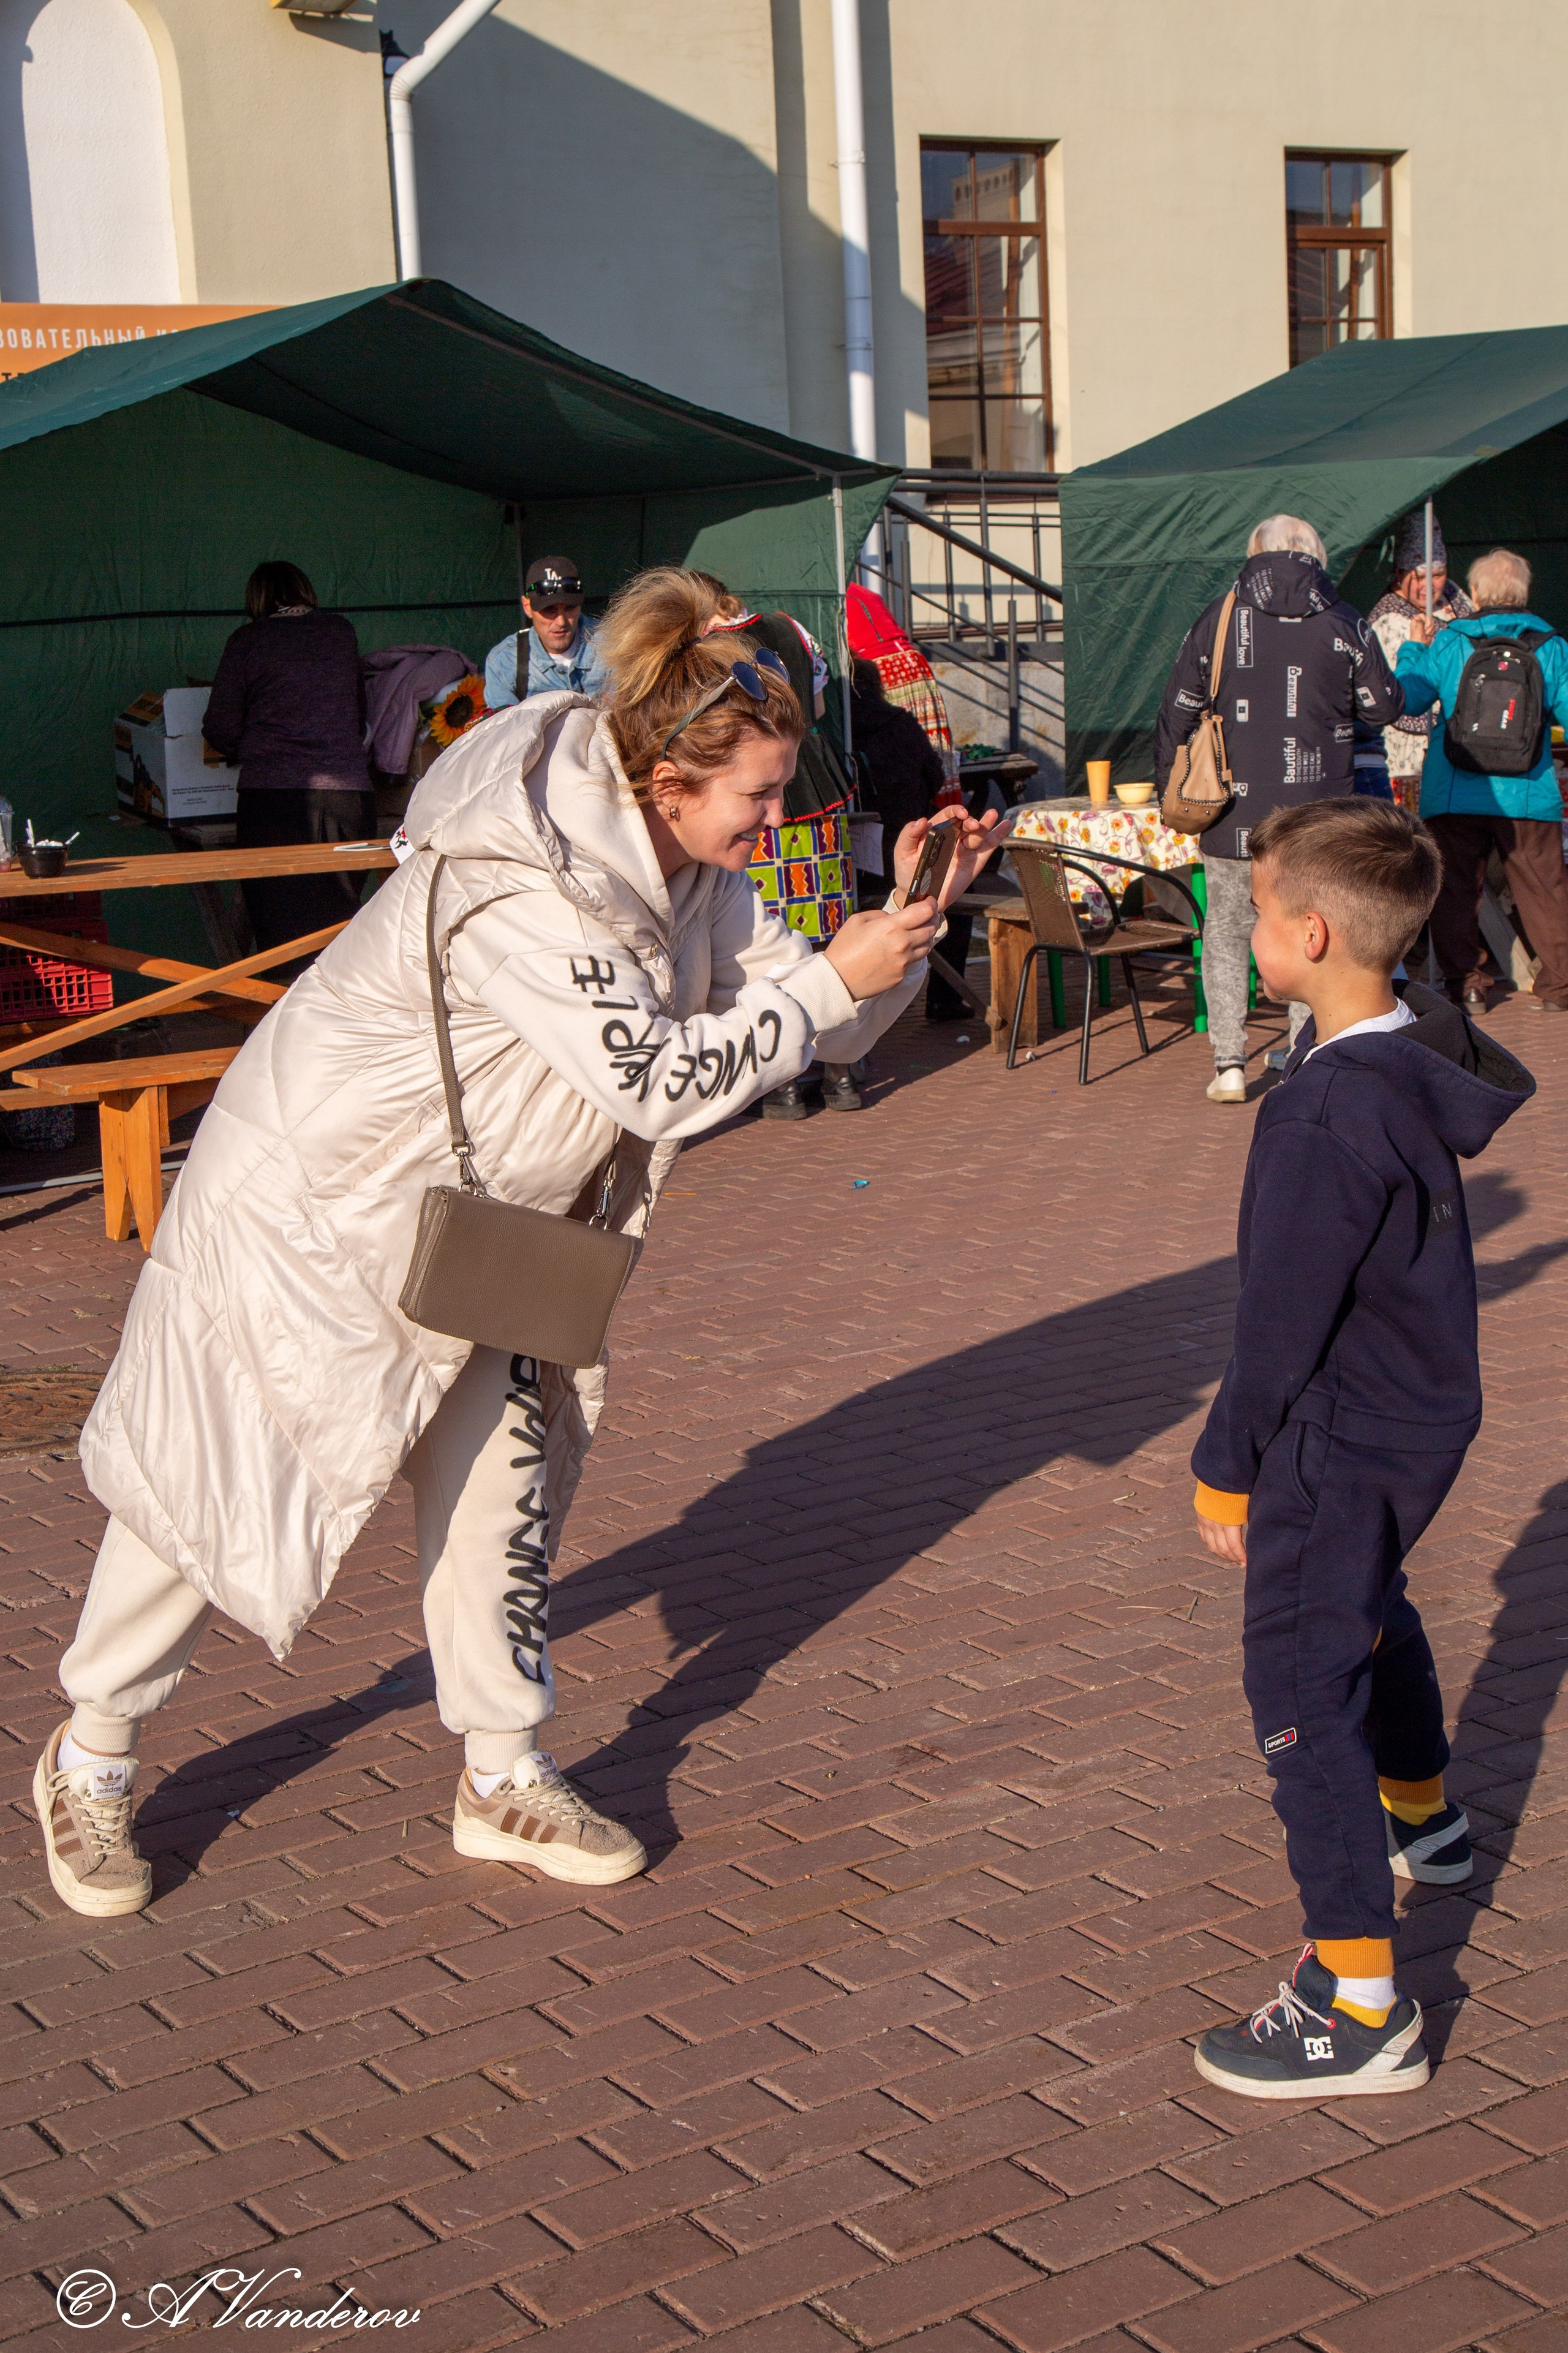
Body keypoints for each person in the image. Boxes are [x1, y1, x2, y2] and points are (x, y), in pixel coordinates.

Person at [35, 565, 1001, 1920]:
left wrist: (893, 935)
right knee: (213, 1483)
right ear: (667, 776)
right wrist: (826, 985)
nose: (777, 820)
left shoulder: (686, 865)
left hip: (492, 1222)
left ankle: (501, 1768)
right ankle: (91, 1756)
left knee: (506, 1481)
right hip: (318, 1206)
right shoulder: (524, 877)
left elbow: (797, 1010)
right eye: (759, 797)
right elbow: (663, 1082)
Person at [1190, 798, 1532, 2096]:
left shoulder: (1322, 1113)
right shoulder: (1396, 1056)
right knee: (1365, 1605)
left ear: (1310, 935)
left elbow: (1276, 1317)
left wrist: (1228, 1457)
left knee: (1295, 1685)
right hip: (1412, 1418)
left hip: (1336, 1433)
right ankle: (1423, 1820)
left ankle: (1358, 2001)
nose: (1250, 922)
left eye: (1260, 908)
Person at [1155, 515, 1404, 1104]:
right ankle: (1300, 1057)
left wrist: (1171, 784)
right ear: (1316, 554)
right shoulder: (1345, 620)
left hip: (1231, 815)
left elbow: (1177, 710)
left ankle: (1229, 1065)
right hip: (1317, 822)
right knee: (1310, 935)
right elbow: (1383, 707)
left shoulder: (1219, 617)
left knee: (1225, 934)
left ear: (1254, 553)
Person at [1395, 546, 1568, 1014]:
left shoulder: (1451, 642)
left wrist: (1414, 646)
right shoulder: (1551, 646)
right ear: (1524, 593)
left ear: (1473, 593)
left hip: (1454, 788)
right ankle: (1558, 988)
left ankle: (1467, 985)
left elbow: (1407, 699)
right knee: (1546, 890)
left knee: (1455, 891)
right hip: (1529, 793)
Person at [200, 561, 375, 954]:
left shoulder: (249, 640)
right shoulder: (340, 632)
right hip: (348, 796)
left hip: (274, 801)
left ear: (257, 599)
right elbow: (358, 712)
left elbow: (220, 726)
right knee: (340, 928)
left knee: (281, 935)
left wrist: (248, 747)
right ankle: (341, 1013)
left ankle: (277, 1010)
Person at [1364, 511, 1476, 814]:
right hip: (1411, 748)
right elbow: (1399, 690)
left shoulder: (1454, 595)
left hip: (1462, 732)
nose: (1430, 586)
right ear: (1400, 573)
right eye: (1420, 577)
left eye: (1437, 575)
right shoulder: (1388, 620)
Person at [483, 556, 610, 710]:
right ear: (527, 606)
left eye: (569, 608)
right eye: (549, 610)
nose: (561, 622)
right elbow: (507, 731)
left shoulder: (615, 644)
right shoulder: (503, 663)